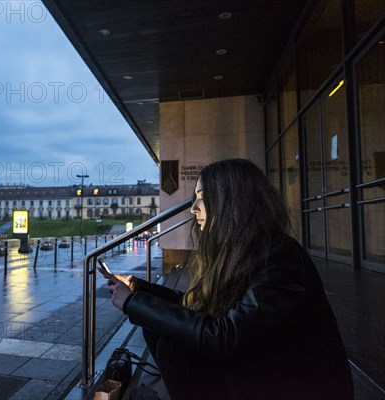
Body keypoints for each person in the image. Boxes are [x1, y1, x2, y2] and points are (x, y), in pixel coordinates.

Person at [100, 159, 353, 400]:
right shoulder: (246, 252)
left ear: (231, 202)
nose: (193, 209)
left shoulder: (281, 257)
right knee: (157, 326)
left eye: (202, 199)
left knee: (172, 345)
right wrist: (139, 290)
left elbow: (226, 336)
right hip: (265, 369)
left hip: (299, 386)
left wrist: (135, 302)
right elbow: (192, 306)